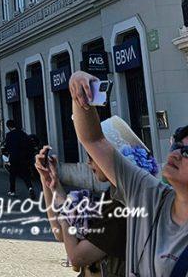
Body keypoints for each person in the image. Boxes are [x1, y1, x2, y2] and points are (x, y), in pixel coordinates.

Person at [68, 70, 188, 277]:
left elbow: (77, 258)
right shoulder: (148, 192)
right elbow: (94, 140)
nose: (176, 154)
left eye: (187, 152)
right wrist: (79, 91)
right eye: (176, 145)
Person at [34, 116, 157, 277]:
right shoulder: (111, 196)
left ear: (113, 158)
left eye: (92, 156)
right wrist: (49, 182)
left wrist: (67, 214)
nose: (88, 162)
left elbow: (77, 257)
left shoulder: (123, 208)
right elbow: (60, 231)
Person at [3, 118, 37, 197]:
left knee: (12, 175)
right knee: (25, 174)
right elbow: (29, 144)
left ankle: (12, 191)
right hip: (23, 157)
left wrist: (8, 153)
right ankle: (30, 188)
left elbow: (7, 147)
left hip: (13, 157)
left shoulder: (9, 135)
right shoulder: (22, 133)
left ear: (8, 127)